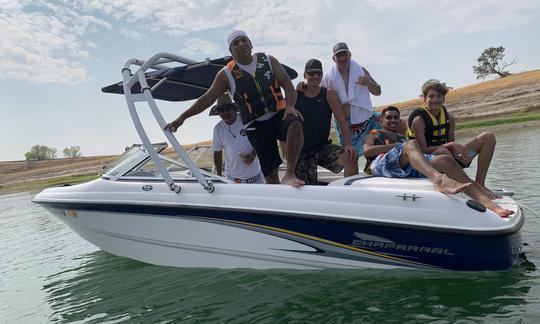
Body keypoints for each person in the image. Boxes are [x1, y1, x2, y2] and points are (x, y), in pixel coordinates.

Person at [165, 30, 305, 187]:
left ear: (250, 44)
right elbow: (207, 99)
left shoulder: (269, 61)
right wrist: (181, 118)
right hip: (255, 125)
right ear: (231, 51)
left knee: (294, 121)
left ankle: (290, 174)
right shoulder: (225, 75)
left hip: (278, 115)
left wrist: (290, 106)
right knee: (271, 173)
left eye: (244, 40)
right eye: (235, 43)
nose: (241, 44)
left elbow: (287, 84)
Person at [365, 106, 513, 217]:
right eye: (389, 117)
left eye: (396, 117)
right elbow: (367, 151)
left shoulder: (402, 137)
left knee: (445, 160)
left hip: (405, 165)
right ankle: (440, 180)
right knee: (410, 145)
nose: (393, 120)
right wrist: (395, 146)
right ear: (381, 120)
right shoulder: (375, 133)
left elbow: (415, 152)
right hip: (380, 164)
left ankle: (486, 202)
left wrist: (443, 150)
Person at [407, 79, 497, 195]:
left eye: (439, 96)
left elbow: (451, 146)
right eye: (431, 96)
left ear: (443, 99)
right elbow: (421, 150)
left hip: (451, 159)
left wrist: (461, 153)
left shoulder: (449, 118)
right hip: (430, 162)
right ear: (425, 99)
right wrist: (450, 145)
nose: (435, 100)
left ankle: (480, 183)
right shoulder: (418, 121)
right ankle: (472, 188)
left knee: (488, 137)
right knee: (442, 150)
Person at [322, 42, 382, 175]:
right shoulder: (328, 78)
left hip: (366, 121)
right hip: (346, 125)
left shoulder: (361, 70)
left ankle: (378, 171)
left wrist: (368, 82)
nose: (342, 58)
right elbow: (316, 93)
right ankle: (351, 186)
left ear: (350, 54)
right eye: (339, 56)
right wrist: (303, 86)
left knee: (389, 125)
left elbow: (378, 91)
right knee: (351, 156)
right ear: (333, 58)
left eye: (344, 54)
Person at [294, 59, 357, 185]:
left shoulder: (328, 94)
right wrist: (285, 146)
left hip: (322, 147)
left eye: (319, 73)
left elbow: (342, 120)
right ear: (305, 75)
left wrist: (348, 144)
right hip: (301, 151)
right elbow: (286, 123)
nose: (315, 76)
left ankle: (350, 195)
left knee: (351, 158)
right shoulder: (296, 95)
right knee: (306, 187)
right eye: (311, 73)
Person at [211, 93, 264, 184]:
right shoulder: (218, 129)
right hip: (234, 180)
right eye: (221, 110)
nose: (225, 112)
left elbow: (260, 139)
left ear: (235, 109)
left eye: (228, 109)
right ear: (218, 113)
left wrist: (253, 154)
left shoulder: (246, 119)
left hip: (256, 177)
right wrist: (219, 176)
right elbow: (217, 153)